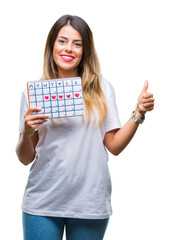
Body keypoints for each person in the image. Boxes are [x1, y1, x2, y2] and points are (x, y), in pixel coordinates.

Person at [16, 15, 154, 240]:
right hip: (42, 202)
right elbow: (24, 158)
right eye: (62, 41)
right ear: (52, 45)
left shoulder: (102, 88)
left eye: (77, 43)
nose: (68, 48)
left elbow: (114, 146)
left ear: (85, 50)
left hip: (89, 201)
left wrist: (139, 112)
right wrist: (27, 132)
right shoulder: (34, 93)